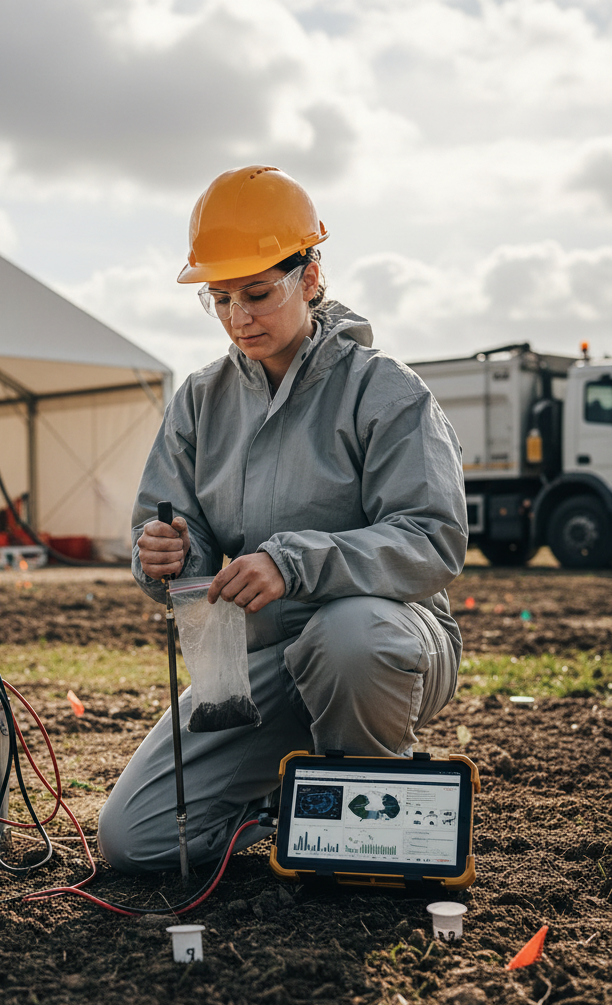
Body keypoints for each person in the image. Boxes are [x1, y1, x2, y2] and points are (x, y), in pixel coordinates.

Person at [96, 165, 468, 874]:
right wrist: (164, 553)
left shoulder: (385, 391)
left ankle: (373, 828)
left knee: (349, 634)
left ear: (311, 276)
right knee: (136, 841)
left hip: (385, 647)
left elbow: (433, 540)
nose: (240, 318)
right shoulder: (200, 400)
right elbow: (171, 534)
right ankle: (281, 812)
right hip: (251, 661)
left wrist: (291, 561)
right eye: (221, 299)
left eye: (258, 293)